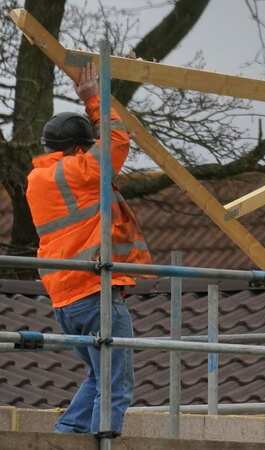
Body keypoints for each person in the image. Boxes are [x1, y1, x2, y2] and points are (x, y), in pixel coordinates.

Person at [25, 63, 151, 436]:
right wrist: (93, 99)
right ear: (79, 148)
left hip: (65, 297)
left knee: (99, 378)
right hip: (94, 292)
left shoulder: (39, 178)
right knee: (116, 386)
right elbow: (117, 141)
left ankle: (66, 435)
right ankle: (103, 445)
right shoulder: (79, 172)